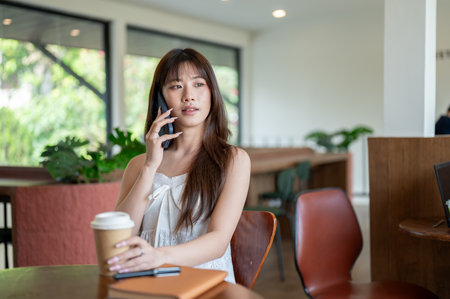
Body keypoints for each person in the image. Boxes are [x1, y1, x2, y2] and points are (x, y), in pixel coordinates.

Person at [107, 48, 251, 283]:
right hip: (149, 284)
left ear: (212, 92)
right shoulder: (138, 165)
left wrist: (158, 256)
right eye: (175, 86)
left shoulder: (233, 160)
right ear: (160, 98)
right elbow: (120, 239)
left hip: (206, 284)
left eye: (198, 84)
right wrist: (150, 166)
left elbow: (218, 241)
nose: (188, 96)